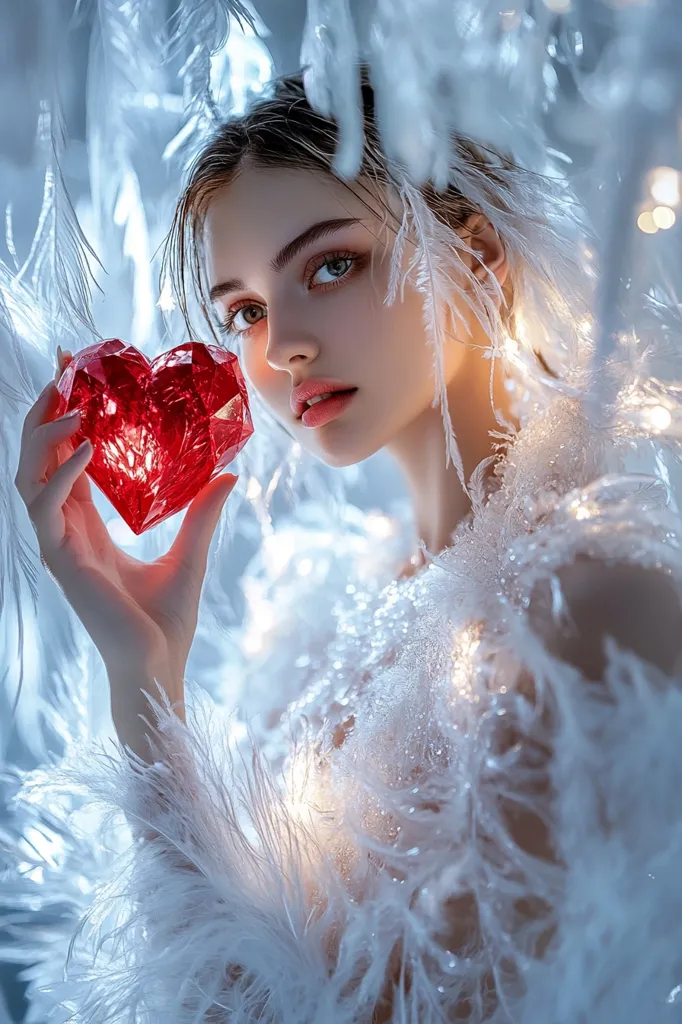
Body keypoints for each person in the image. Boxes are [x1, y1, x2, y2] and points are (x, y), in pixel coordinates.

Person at [11, 69, 682, 1023]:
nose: (280, 344)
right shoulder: (320, 620)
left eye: (331, 265)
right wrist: (145, 686)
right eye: (243, 310)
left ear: (479, 256)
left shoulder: (592, 605)